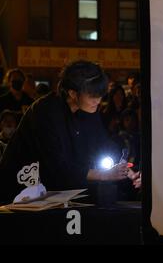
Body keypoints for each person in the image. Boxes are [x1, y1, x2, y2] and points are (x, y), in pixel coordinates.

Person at [0, 60, 129, 203]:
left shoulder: (88, 110)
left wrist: (125, 169)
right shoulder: (46, 110)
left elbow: (102, 142)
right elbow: (57, 166)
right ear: (73, 93)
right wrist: (104, 175)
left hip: (61, 191)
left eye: (100, 94)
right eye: (92, 95)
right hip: (23, 190)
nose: (98, 100)